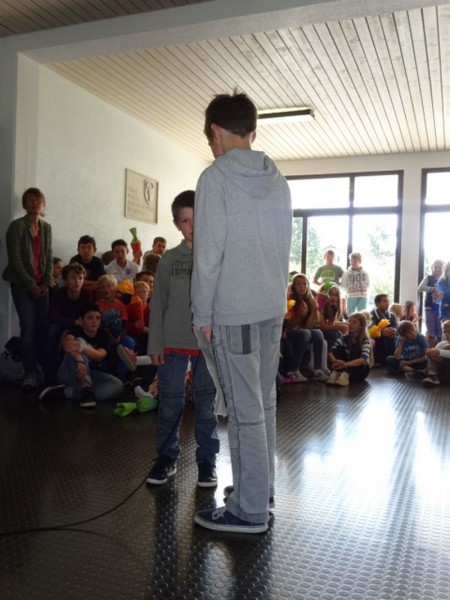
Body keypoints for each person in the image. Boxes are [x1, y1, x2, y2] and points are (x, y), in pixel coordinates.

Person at [191, 91, 292, 534]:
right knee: (263, 404)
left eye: (209, 137)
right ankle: (259, 490)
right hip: (271, 308)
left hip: (233, 311)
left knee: (244, 411)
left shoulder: (215, 178)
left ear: (215, 130)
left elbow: (208, 255)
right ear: (251, 129)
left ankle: (248, 511)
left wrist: (201, 313)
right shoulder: (278, 179)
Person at [146, 190, 219, 488]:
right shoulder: (169, 260)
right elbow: (158, 304)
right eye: (186, 221)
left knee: (206, 404)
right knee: (170, 403)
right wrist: (155, 343)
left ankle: (207, 460)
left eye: (197, 218)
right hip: (173, 343)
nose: (193, 226)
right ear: (177, 224)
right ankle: (166, 457)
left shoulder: (216, 256)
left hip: (207, 345)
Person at [2, 187, 53, 391]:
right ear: (24, 204)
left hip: (42, 285)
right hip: (21, 283)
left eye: (38, 200)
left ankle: (45, 369)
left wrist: (46, 282)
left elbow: (49, 256)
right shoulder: (16, 227)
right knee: (28, 326)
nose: (35, 203)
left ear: (43, 204)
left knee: (43, 326)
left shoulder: (46, 227)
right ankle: (29, 372)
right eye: (30, 200)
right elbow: (15, 260)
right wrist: (31, 285)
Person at [56, 303, 123, 407]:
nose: (94, 321)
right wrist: (79, 359)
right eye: (90, 318)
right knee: (79, 341)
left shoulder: (103, 335)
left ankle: (69, 392)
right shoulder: (75, 330)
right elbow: (67, 344)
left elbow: (100, 355)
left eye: (97, 318)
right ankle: (85, 387)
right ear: (81, 320)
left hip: (90, 373)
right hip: (70, 372)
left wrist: (83, 347)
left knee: (117, 385)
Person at [281, 274, 328, 383]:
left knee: (317, 333)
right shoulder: (289, 298)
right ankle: (293, 370)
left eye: (304, 284)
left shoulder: (309, 299)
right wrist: (302, 316)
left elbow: (308, 327)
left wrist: (313, 310)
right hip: (287, 332)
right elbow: (289, 326)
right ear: (293, 286)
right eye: (298, 284)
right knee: (305, 333)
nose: (302, 287)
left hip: (301, 332)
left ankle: (317, 369)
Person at [327, 313, 371, 385]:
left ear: (361, 326)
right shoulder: (344, 337)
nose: (350, 324)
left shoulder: (365, 340)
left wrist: (345, 364)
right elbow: (330, 352)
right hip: (344, 365)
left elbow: (363, 359)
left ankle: (344, 374)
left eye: (354, 322)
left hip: (359, 370)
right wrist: (335, 361)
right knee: (338, 349)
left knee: (355, 351)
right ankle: (337, 373)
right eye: (350, 321)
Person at [418, 259, 444, 347]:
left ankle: (440, 351)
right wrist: (432, 289)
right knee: (431, 333)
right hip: (430, 308)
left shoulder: (445, 279)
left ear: (443, 268)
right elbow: (420, 287)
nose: (437, 269)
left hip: (442, 309)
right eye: (435, 267)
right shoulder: (429, 278)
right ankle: (431, 352)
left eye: (439, 267)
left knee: (441, 332)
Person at [369, 294, 398, 366]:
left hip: (391, 337)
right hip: (378, 340)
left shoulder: (392, 315)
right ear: (377, 303)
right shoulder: (371, 315)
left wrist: (394, 331)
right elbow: (369, 330)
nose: (387, 303)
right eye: (385, 301)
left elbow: (396, 327)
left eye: (388, 301)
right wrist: (382, 332)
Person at [419, 319, 450, 386]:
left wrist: (438, 352)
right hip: (443, 371)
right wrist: (430, 353)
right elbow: (430, 357)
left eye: (449, 331)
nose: (446, 334)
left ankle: (425, 373)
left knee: (447, 347)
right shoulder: (441, 344)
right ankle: (432, 376)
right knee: (433, 353)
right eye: (444, 332)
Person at [318, 283, 348, 349]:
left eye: (336, 295)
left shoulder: (333, 307)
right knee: (334, 334)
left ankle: (335, 353)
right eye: (330, 294)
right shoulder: (321, 307)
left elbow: (331, 324)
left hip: (324, 329)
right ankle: (329, 354)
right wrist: (339, 327)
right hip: (317, 329)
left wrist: (346, 324)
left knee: (339, 334)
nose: (333, 297)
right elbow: (322, 326)